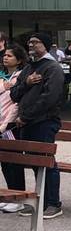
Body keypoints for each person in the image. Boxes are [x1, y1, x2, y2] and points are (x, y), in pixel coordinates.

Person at [9, 32, 65, 219]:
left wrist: (26, 116)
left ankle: (53, 204)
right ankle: (40, 201)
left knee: (46, 162)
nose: (31, 45)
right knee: (34, 163)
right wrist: (26, 82)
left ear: (46, 45)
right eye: (29, 42)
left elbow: (50, 98)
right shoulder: (29, 68)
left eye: (35, 42)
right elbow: (14, 94)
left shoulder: (52, 68)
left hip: (44, 122)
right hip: (27, 123)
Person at [0, 44, 27, 213]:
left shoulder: (20, 77)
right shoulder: (4, 77)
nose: (5, 58)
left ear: (19, 60)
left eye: (9, 56)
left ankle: (19, 198)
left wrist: (5, 125)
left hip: (9, 126)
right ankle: (10, 195)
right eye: (5, 55)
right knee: (4, 161)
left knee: (13, 161)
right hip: (1, 123)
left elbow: (16, 104)